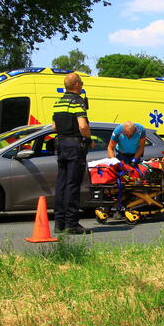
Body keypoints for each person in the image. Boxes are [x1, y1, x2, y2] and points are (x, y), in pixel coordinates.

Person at [52, 73, 92, 234]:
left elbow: (54, 127)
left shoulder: (58, 102)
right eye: (81, 82)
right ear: (76, 85)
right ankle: (72, 224)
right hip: (75, 146)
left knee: (61, 183)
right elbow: (83, 126)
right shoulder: (77, 101)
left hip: (61, 144)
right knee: (73, 185)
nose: (82, 85)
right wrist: (89, 139)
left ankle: (59, 223)